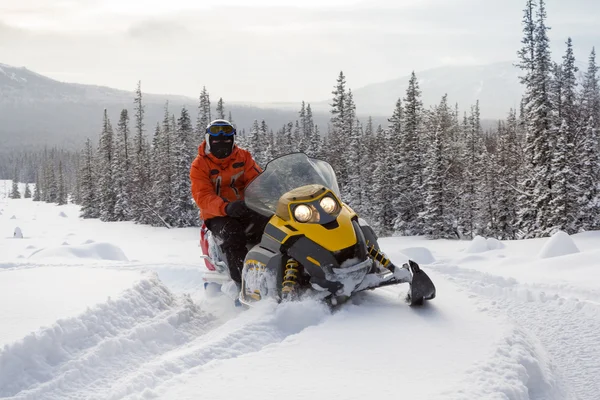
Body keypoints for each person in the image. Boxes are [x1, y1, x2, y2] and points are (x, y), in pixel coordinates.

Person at [190, 119, 269, 285]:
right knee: (233, 233)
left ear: (233, 140)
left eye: (226, 139)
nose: (221, 143)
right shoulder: (200, 165)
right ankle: (243, 283)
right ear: (209, 140)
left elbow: (258, 179)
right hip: (216, 214)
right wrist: (225, 207)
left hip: (244, 207)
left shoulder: (243, 157)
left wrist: (272, 191)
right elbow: (202, 196)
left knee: (274, 226)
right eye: (216, 139)